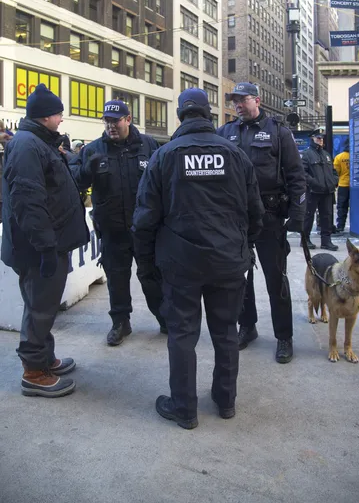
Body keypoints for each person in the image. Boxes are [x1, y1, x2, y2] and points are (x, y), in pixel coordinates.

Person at [132, 88, 264, 429]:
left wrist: (146, 263)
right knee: (225, 333)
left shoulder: (164, 156)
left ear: (180, 116)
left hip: (181, 263)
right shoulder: (235, 155)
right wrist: (241, 246)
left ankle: (185, 409)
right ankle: (225, 401)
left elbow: (145, 218)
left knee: (182, 334)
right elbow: (255, 213)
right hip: (227, 261)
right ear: (209, 115)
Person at [1, 84, 89, 397]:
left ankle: (44, 358)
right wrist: (46, 247)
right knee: (40, 307)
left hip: (46, 244)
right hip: (38, 249)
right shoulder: (28, 145)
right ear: (45, 116)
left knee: (43, 305)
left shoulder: (39, 141)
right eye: (58, 113)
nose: (61, 119)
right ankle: (34, 372)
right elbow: (28, 201)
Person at [217, 83, 306, 363]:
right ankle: (248, 326)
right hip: (236, 217)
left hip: (270, 215)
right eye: (234, 101)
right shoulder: (225, 133)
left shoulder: (279, 132)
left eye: (243, 100)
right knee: (239, 277)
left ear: (257, 100)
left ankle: (284, 337)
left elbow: (296, 176)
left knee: (275, 278)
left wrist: (298, 216)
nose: (238, 105)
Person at [70, 100, 166, 345]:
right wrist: (85, 172)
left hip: (144, 229)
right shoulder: (92, 150)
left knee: (151, 277)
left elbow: (163, 183)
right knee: (116, 278)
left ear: (128, 119)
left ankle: (165, 318)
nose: (111, 125)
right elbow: (76, 184)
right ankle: (120, 323)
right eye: (108, 121)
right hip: (112, 229)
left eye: (116, 120)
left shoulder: (148, 146)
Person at [301, 132, 339, 251]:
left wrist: (334, 181)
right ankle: (305, 239)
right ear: (312, 138)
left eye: (322, 138)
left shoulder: (326, 154)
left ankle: (326, 241)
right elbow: (303, 172)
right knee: (308, 215)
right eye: (318, 138)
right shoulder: (307, 155)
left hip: (327, 191)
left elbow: (333, 171)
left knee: (327, 216)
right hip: (313, 191)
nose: (321, 140)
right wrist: (314, 183)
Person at [334, 138, 350, 234]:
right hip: (355, 186)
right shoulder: (356, 156)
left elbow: (336, 172)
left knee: (342, 207)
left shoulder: (339, 157)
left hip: (343, 185)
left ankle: (340, 226)